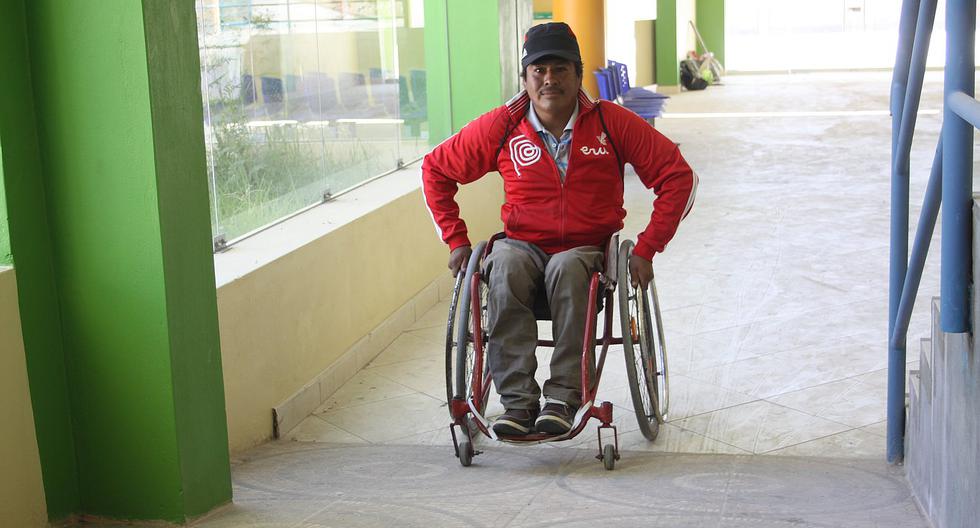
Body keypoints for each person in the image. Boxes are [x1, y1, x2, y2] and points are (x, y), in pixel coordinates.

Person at [421, 22, 697, 436]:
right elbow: (436, 169)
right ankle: (517, 403)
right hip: (523, 245)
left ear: (577, 73)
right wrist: (456, 240)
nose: (549, 79)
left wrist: (646, 248)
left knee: (567, 268)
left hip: (585, 250)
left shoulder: (610, 123)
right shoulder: (503, 127)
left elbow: (679, 177)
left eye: (560, 69)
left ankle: (563, 398)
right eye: (539, 70)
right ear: (526, 77)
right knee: (504, 264)